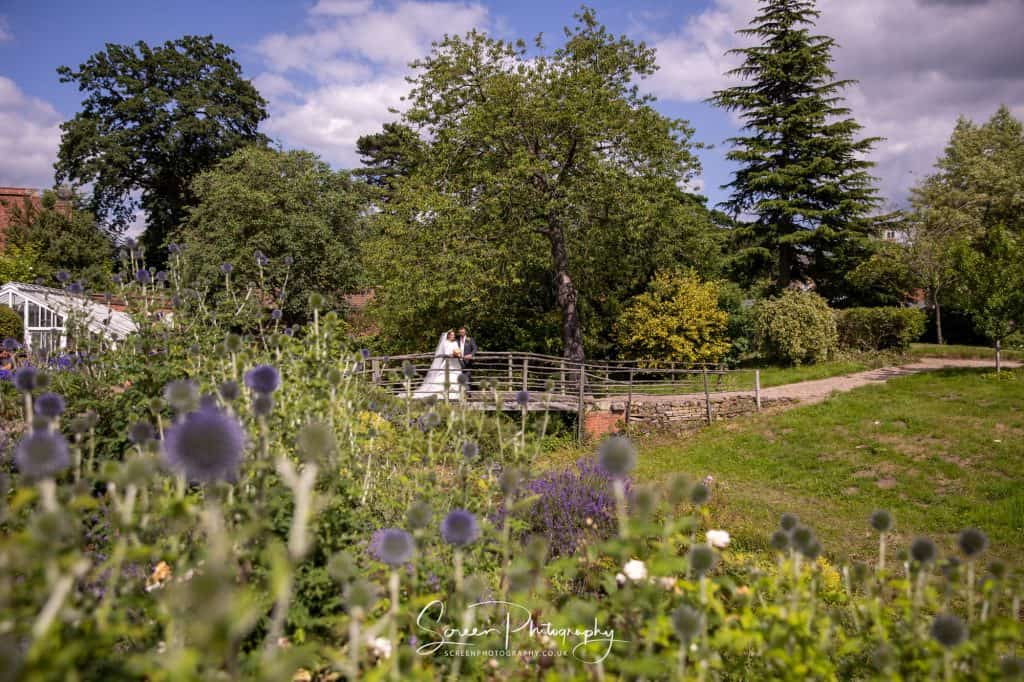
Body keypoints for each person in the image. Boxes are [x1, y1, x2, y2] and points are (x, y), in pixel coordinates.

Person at [412, 330, 463, 399]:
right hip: (448, 361)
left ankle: (456, 394)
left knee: (456, 376)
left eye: (454, 335)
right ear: (448, 336)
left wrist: (458, 354)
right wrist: (453, 354)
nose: (453, 336)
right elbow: (446, 352)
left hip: (455, 363)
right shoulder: (445, 343)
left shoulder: (455, 343)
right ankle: (441, 393)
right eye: (452, 335)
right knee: (444, 376)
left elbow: (457, 350)